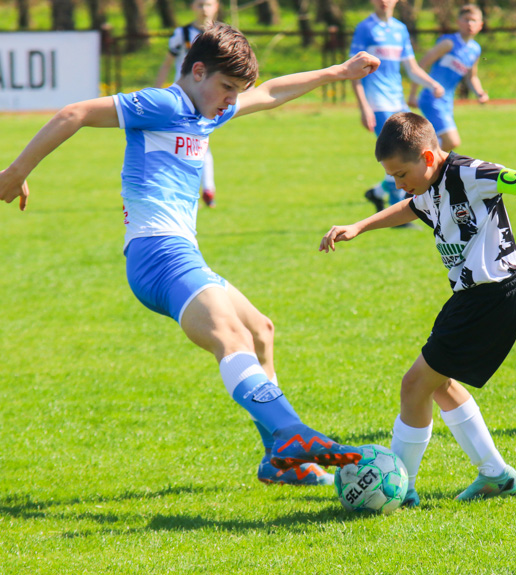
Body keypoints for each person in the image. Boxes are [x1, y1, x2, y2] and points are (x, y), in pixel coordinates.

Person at [0, 24, 381, 487]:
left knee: (260, 331)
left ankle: (277, 459)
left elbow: (275, 91)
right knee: (230, 337)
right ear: (197, 71)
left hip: (178, 252)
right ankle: (290, 433)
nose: (230, 100)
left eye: (235, 93)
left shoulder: (208, 112)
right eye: (226, 88)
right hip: (157, 253)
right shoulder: (165, 104)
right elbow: (74, 111)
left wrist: (340, 71)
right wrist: (17, 170)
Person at [320, 112, 516, 506]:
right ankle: (495, 474)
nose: (398, 184)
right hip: (472, 297)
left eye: (400, 174)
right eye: (391, 177)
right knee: (438, 383)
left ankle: (400, 489)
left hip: (494, 295)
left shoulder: (468, 173)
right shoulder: (429, 184)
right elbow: (413, 207)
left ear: (427, 158)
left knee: (414, 385)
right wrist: (360, 226)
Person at [351, 0, 444, 214]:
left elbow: (411, 68)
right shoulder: (365, 28)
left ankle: (378, 192)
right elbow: (353, 72)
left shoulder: (400, 29)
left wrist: (432, 84)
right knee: (399, 153)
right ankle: (398, 211)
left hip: (398, 102)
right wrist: (364, 107)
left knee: (412, 149)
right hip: (377, 103)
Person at [155, 0, 221, 207]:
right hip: (181, 97)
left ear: (216, 6)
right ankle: (205, 188)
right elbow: (167, 62)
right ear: (192, 8)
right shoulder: (181, 35)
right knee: (190, 141)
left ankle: (206, 188)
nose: (204, 9)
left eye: (208, 4)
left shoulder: (220, 34)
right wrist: (157, 90)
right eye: (199, 4)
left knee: (200, 140)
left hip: (206, 97)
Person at [407, 4, 488, 152]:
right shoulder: (448, 43)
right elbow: (421, 65)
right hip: (431, 97)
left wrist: (480, 93)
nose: (470, 24)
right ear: (458, 22)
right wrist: (413, 94)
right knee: (452, 141)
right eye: (466, 20)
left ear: (480, 25)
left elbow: (472, 77)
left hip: (446, 101)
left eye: (474, 20)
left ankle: (424, 169)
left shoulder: (475, 49)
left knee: (439, 144)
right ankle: (425, 169)